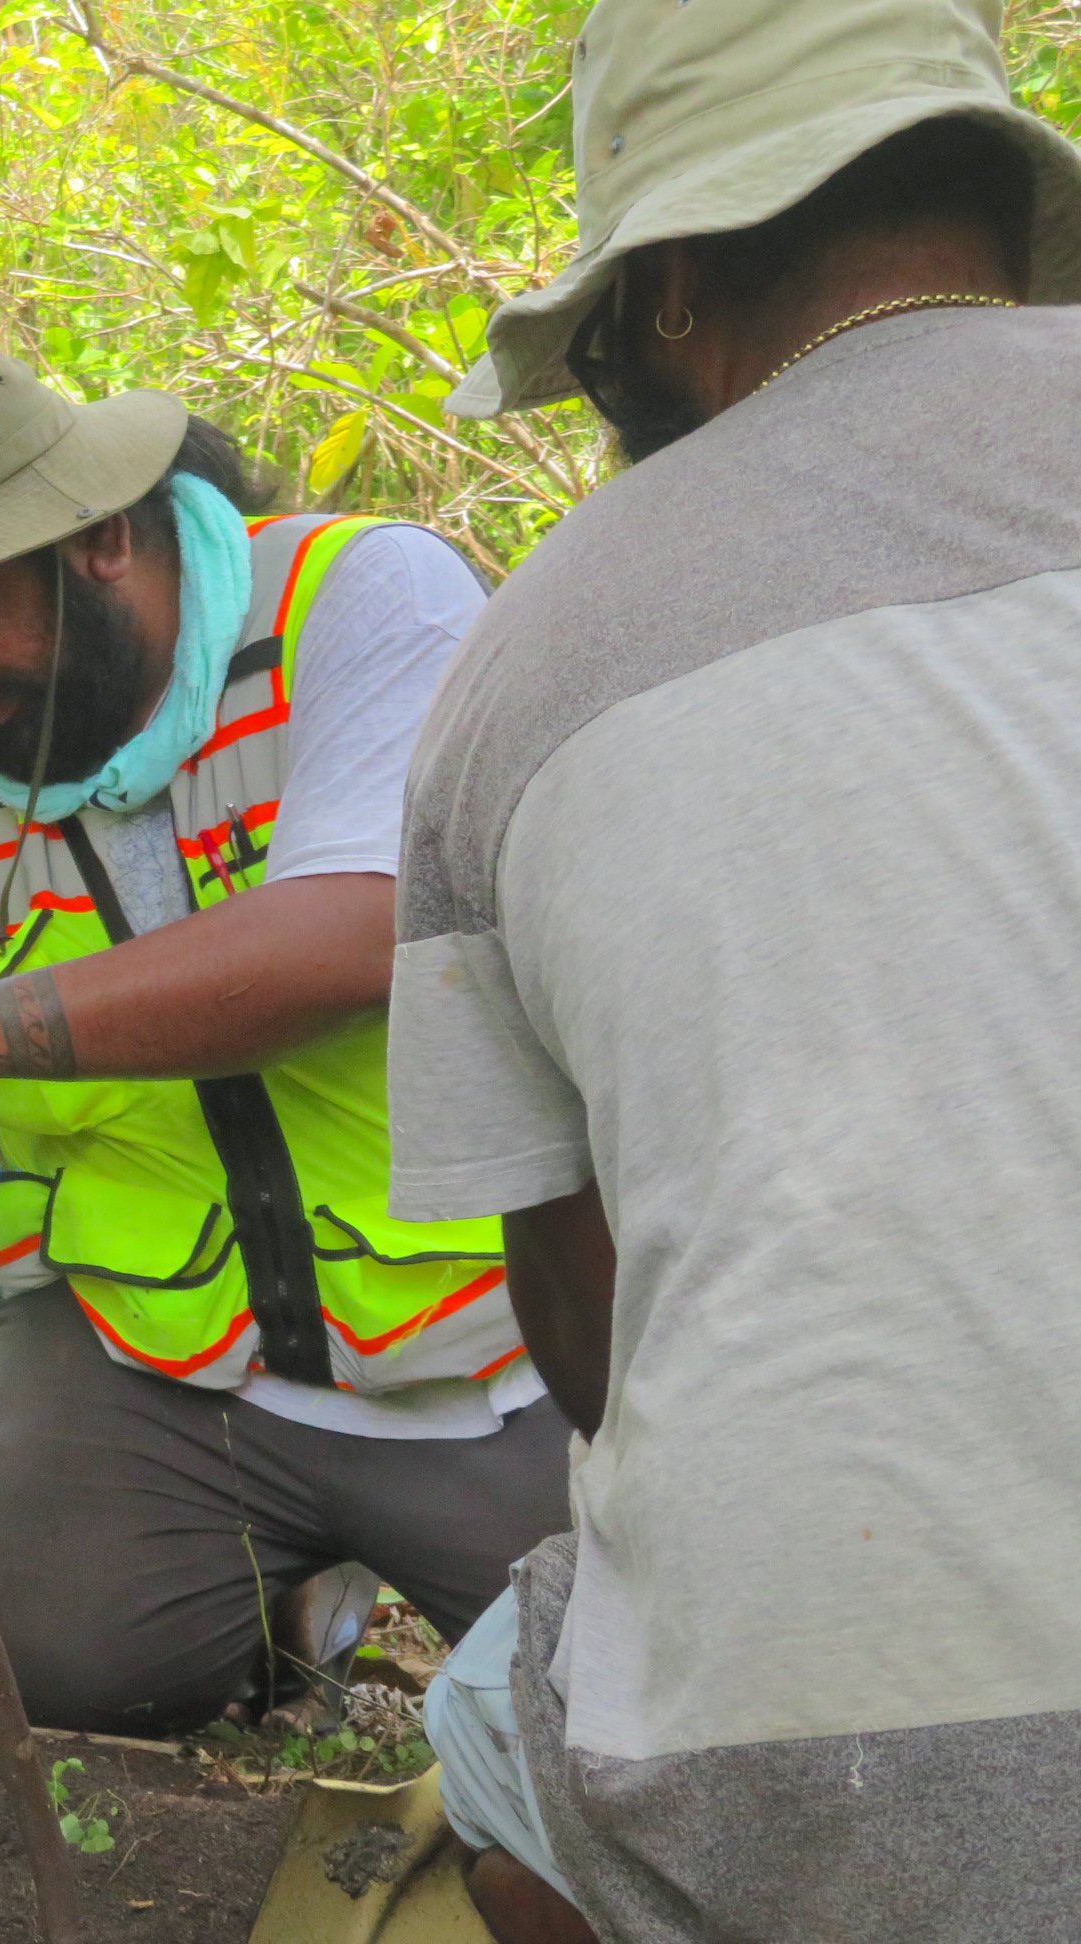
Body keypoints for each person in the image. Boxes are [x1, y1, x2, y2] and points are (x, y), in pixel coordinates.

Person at [395, 2, 1081, 1937]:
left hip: (832, 1799)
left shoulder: (513, 665)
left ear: (669, 284)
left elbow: (586, 1331)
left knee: (485, 1718)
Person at [0, 351, 571, 1736]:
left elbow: (352, 941)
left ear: (101, 536)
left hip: (502, 1358)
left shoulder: (364, 598)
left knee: (657, 1731)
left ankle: (351, 1577)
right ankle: (271, 1613)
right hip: (160, 1378)